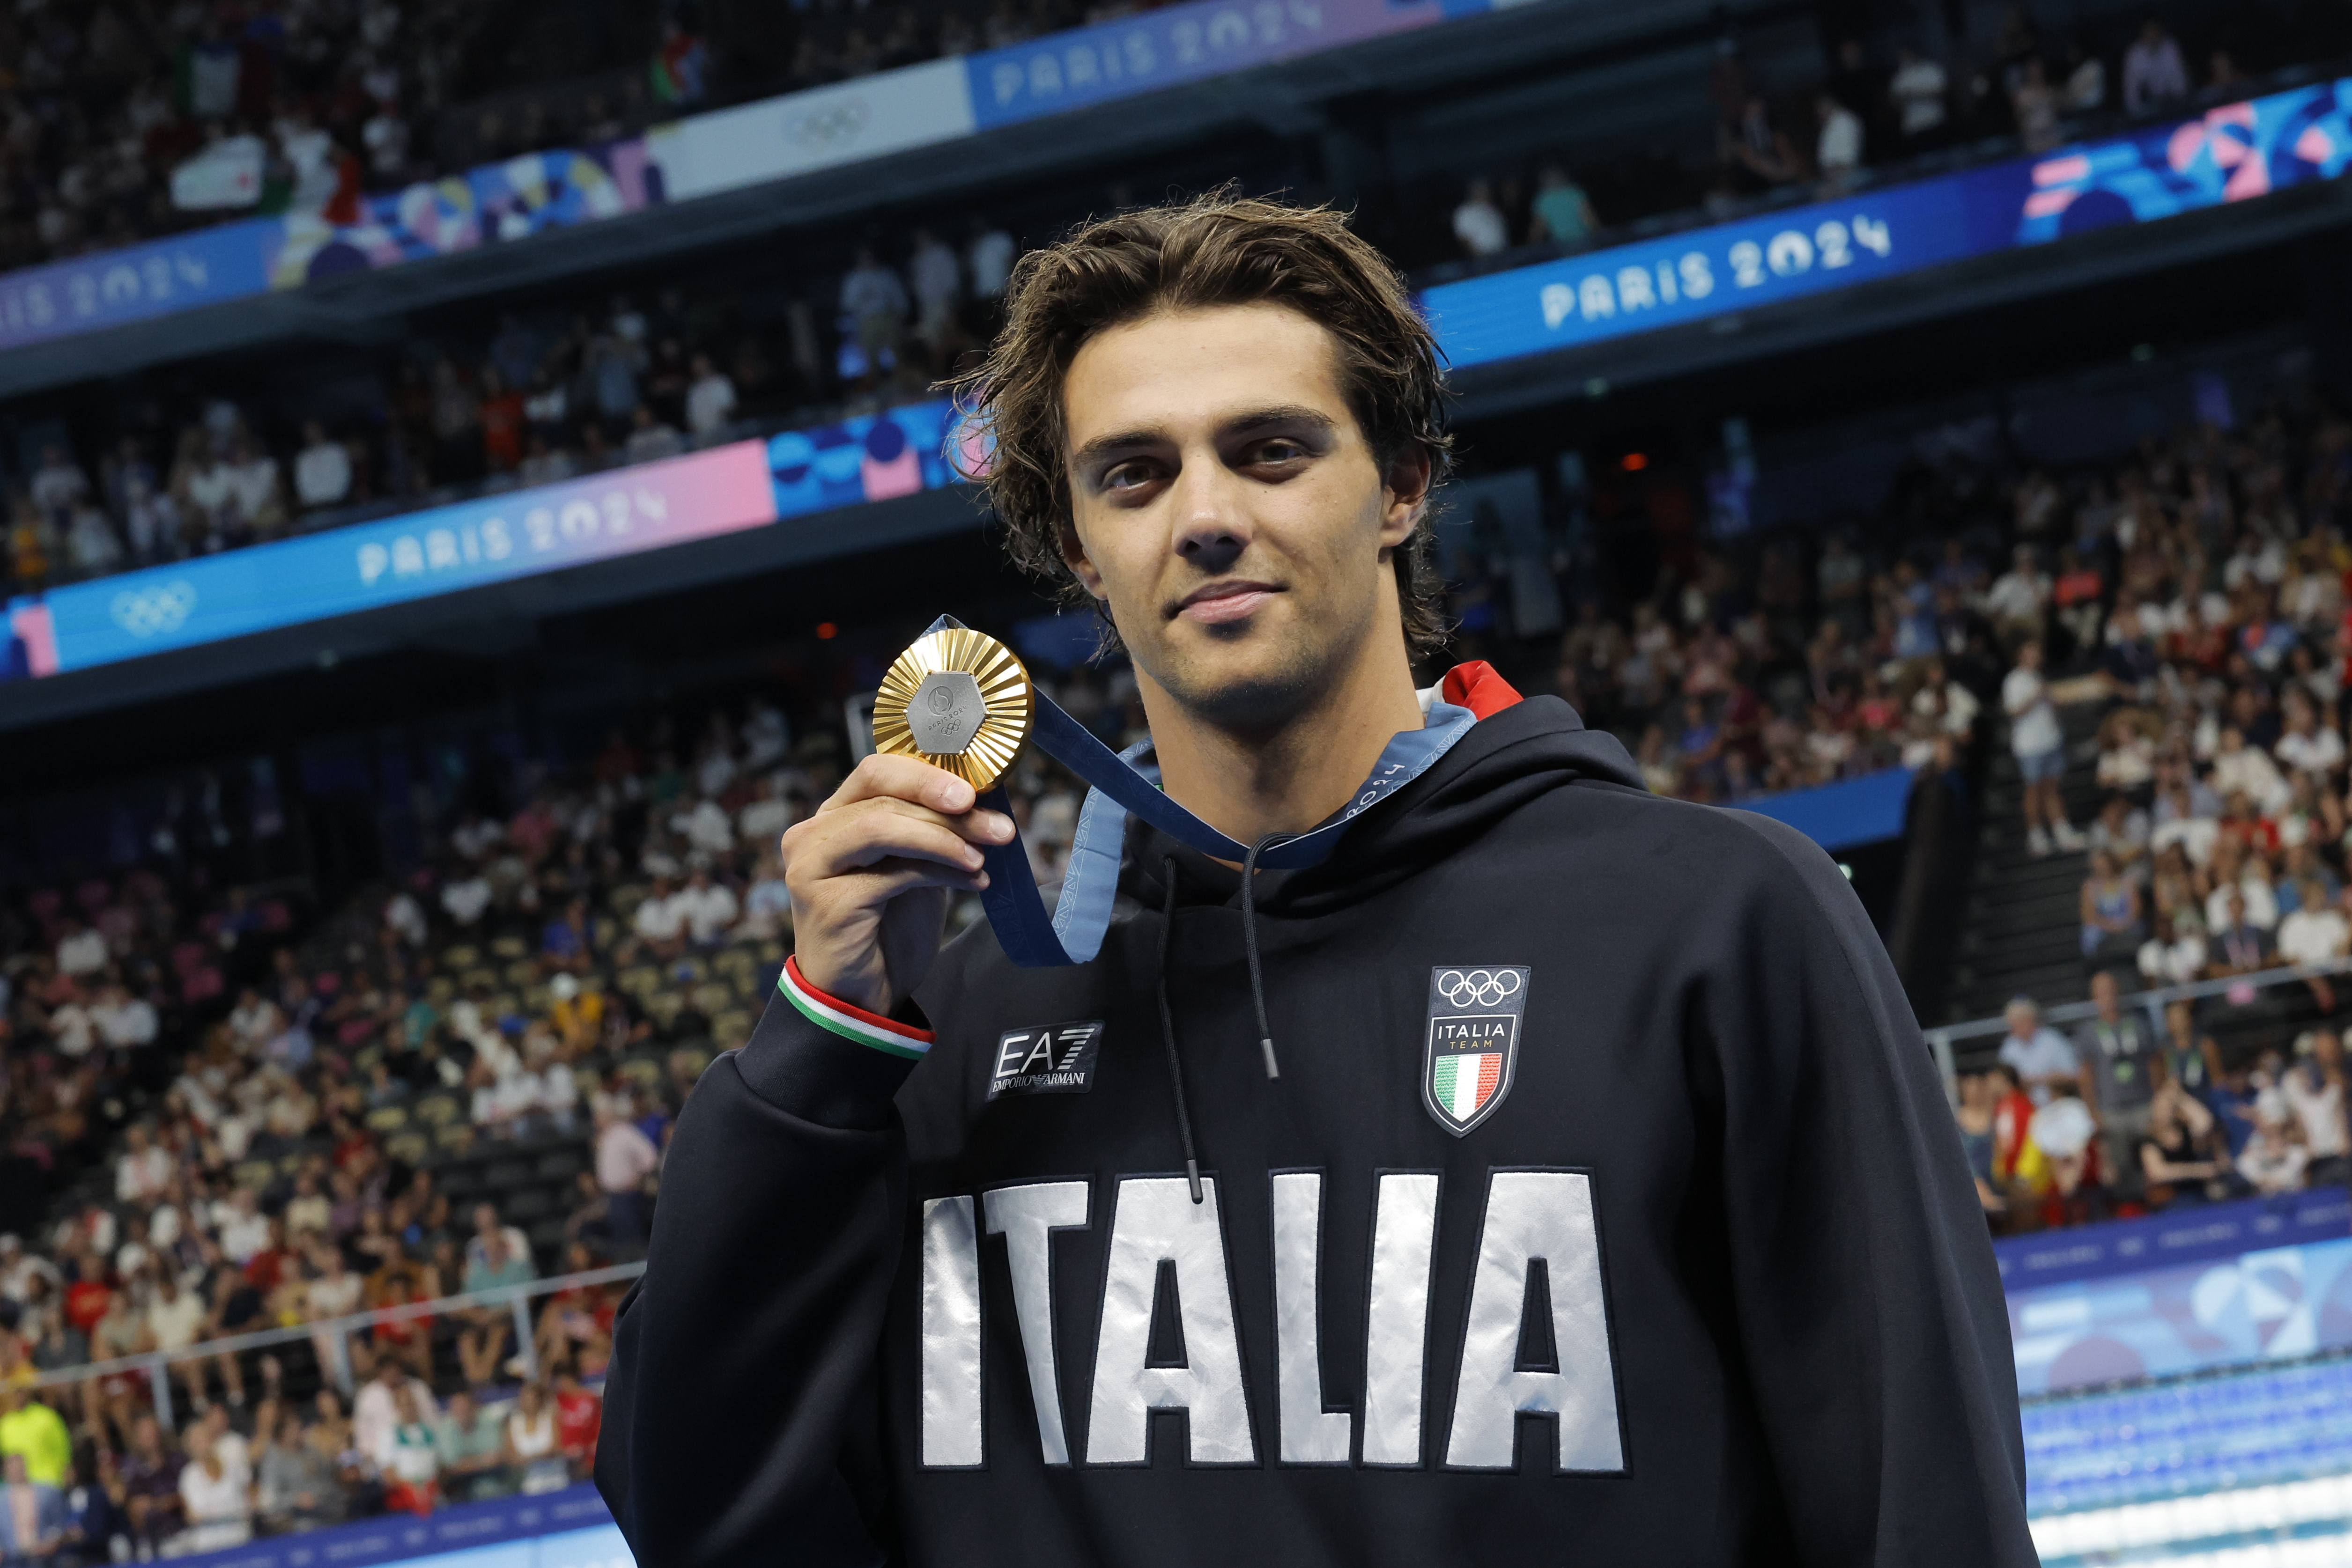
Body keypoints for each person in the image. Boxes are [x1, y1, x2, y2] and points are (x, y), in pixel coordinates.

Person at [598, 193, 2032, 1565]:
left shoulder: (1716, 926)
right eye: (1134, 474)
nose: (1204, 515)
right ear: (1080, 548)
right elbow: (707, 1521)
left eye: (1270, 450)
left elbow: (1921, 1515)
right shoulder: (939, 1040)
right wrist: (819, 1050)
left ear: (1401, 485)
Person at [2073, 972, 2156, 1185]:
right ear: (2094, 998)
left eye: (2110, 991)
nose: (2107, 997)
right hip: (2110, 1108)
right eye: (2101, 993)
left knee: (2151, 1158)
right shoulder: (2088, 1032)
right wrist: (2093, 1112)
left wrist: (2156, 1099)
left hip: (2143, 1103)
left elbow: (2155, 1064)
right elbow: (2085, 1076)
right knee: (2119, 1167)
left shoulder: (2138, 1023)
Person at [2004, 640, 2082, 856]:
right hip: (2030, 746)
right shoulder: (2014, 681)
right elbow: (2013, 712)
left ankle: (2061, 830)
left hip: (2050, 740)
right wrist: (2036, 697)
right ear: (2021, 656)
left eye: (2037, 653)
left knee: (2053, 787)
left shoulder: (2038, 677)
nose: (2036, 657)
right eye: (2031, 653)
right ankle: (2036, 834)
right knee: (2034, 789)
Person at [1999, 995, 2083, 1107]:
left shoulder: (2053, 1040)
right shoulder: (2009, 1048)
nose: (2015, 1027)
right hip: (2025, 1108)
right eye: (2013, 1023)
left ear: (2031, 1019)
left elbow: (2073, 1074)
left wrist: (2038, 1080)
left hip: (2058, 1106)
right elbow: (2002, 1082)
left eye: (2020, 1021)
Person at [0, 1453, 63, 1562]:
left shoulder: (47, 1492)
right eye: (13, 1467)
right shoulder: (2, 1498)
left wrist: (51, 1542)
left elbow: (59, 1522)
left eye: (20, 1467)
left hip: (42, 1555)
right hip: (11, 1557)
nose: (17, 1471)